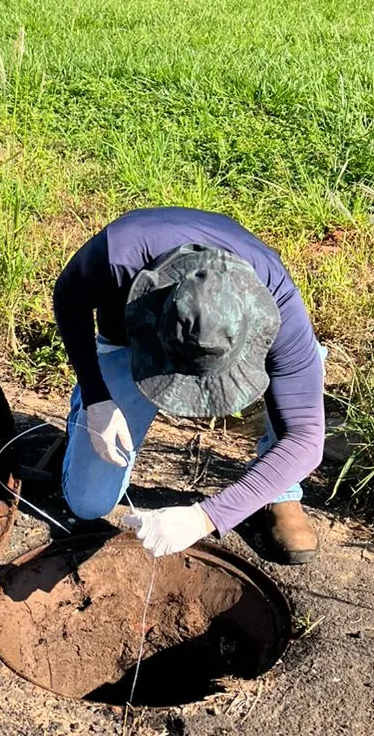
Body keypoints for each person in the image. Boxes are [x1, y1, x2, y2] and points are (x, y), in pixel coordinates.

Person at [52, 207, 327, 563]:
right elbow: (68, 298)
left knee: (308, 365)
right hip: (127, 344)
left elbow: (306, 438)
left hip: (253, 322)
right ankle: (86, 417)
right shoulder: (119, 256)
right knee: (88, 502)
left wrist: (205, 518)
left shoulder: (278, 308)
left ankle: (280, 491)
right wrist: (96, 398)